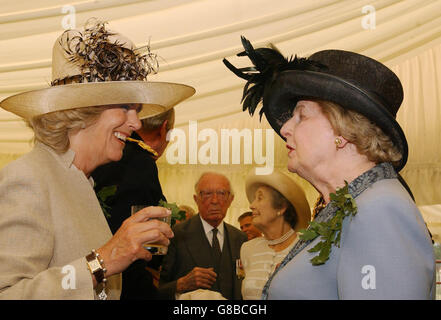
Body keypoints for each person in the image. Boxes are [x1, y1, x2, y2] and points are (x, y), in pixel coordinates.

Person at [224, 37, 435, 299]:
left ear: (343, 130)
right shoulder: (351, 206)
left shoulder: (380, 209)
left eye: (301, 115)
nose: (286, 128)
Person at [0, 20, 194, 299]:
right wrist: (101, 262)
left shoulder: (80, 182)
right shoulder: (28, 179)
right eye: (126, 107)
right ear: (82, 110)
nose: (136, 123)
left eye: (136, 109)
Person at [92, 108, 177, 300]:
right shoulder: (140, 162)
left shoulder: (100, 154)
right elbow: (140, 247)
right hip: (121, 283)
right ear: (164, 130)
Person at [159, 172, 247, 299]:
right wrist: (182, 284)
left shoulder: (239, 238)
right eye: (207, 194)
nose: (215, 201)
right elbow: (160, 289)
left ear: (231, 199)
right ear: (196, 199)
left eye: (222, 193)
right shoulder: (177, 235)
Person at [240, 170, 311, 300]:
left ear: (281, 207)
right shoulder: (248, 249)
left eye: (259, 198)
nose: (251, 205)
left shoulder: (307, 247)